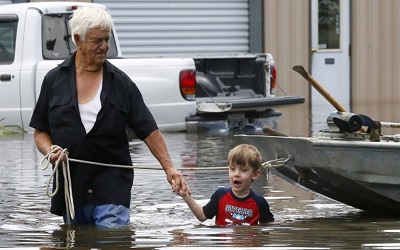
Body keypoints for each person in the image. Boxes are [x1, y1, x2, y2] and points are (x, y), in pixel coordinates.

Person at [29, 5, 190, 228]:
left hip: (112, 187)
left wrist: (169, 168)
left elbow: (149, 130)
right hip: (72, 188)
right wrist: (50, 151)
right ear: (78, 39)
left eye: (107, 39)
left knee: (113, 239)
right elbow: (40, 132)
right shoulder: (53, 81)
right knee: (76, 241)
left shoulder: (122, 84)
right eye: (98, 40)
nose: (105, 46)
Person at [177, 144, 274, 226]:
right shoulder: (220, 195)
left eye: (243, 170)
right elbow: (202, 216)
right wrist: (186, 197)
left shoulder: (259, 202)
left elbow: (267, 227)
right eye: (232, 168)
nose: (236, 174)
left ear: (255, 174)